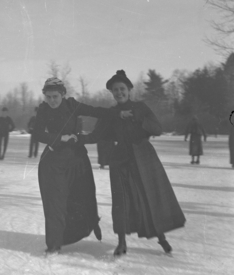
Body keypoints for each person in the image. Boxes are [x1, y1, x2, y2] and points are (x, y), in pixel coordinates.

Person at [78, 70, 186, 256]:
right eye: (115, 90)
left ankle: (161, 237)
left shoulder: (141, 107)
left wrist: (136, 116)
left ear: (129, 90)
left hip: (144, 158)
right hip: (120, 160)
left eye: (122, 89)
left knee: (148, 197)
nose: (119, 92)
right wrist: (75, 138)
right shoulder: (110, 113)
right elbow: (96, 135)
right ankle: (122, 242)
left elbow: (157, 129)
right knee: (121, 200)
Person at [33, 77, 113, 254]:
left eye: (55, 96)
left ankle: (89, 225)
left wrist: (117, 112)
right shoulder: (43, 110)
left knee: (83, 198)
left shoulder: (72, 106)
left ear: (63, 94)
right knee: (55, 204)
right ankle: (54, 245)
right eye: (49, 97)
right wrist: (59, 138)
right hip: (53, 163)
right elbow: (37, 133)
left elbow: (96, 111)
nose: (52, 100)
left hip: (77, 161)